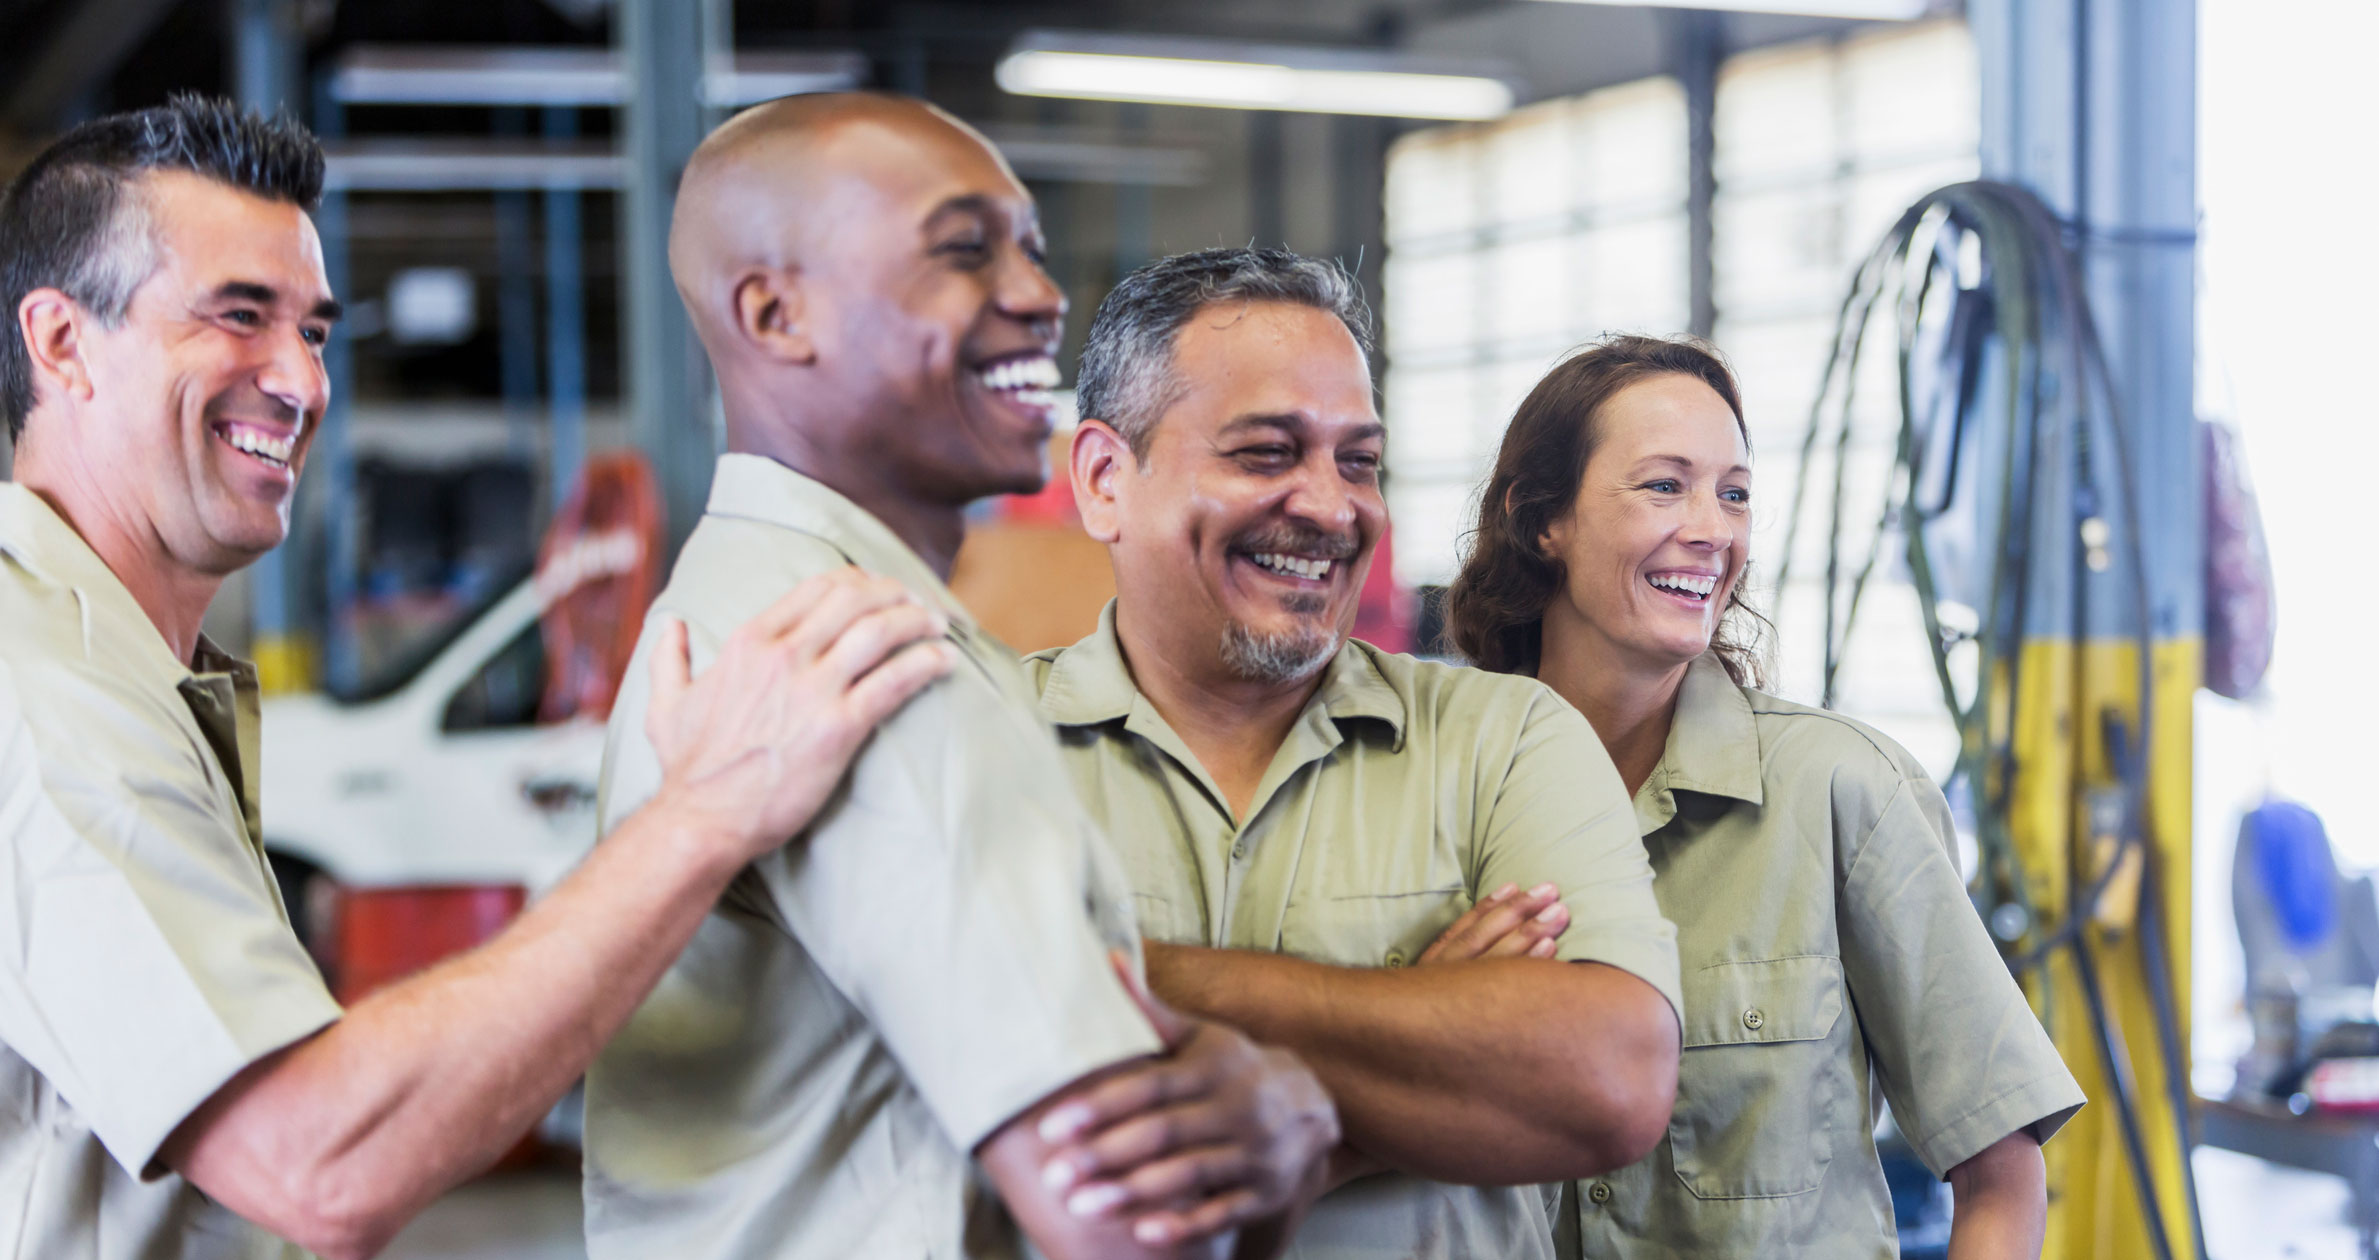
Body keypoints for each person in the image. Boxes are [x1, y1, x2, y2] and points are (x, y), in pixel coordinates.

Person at [0, 96, 957, 1260]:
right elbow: (319, 1161)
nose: (301, 384)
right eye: (238, 317)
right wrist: (706, 813)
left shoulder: (133, 667)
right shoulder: (41, 687)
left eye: (314, 331)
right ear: (60, 344)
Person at [584, 97, 1338, 1260]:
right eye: (963, 249)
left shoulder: (736, 597)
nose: (1040, 294)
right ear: (776, 314)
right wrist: (1293, 1124)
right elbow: (1135, 1223)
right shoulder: (859, 661)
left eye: (1030, 247)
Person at [1013, 247, 1684, 1259]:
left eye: (1359, 461)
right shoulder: (980, 742)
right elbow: (900, 1113)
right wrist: (1426, 1018)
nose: (1334, 508)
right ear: (1107, 479)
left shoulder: (1506, 742)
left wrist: (1118, 978)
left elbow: (1609, 1085)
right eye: (1266, 452)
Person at [1442, 334, 2086, 1258]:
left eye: (1733, 493)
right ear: (1541, 517)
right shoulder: (1432, 800)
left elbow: (2001, 1169)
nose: (1711, 528)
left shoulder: (1841, 791)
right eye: (1664, 485)